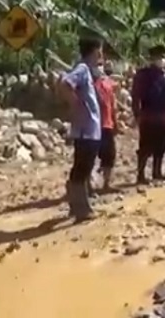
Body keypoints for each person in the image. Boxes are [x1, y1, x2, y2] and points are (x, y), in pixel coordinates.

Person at [59, 38, 103, 221]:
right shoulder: (83, 69)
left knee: (83, 168)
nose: (102, 55)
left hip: (89, 129)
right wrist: (75, 105)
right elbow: (66, 83)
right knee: (82, 168)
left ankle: (78, 205)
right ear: (94, 52)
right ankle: (81, 209)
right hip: (86, 130)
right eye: (100, 51)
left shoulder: (88, 71)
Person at [131, 45, 165, 184]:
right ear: (151, 58)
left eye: (163, 57)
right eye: (159, 57)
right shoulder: (143, 75)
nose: (162, 60)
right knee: (145, 146)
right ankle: (140, 175)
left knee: (162, 145)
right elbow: (136, 95)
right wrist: (137, 114)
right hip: (149, 116)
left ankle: (156, 172)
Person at [88, 61, 119, 194]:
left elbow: (112, 106)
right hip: (91, 126)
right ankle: (87, 186)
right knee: (89, 157)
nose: (99, 67)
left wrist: (115, 123)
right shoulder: (88, 85)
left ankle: (106, 184)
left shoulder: (107, 84)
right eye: (97, 64)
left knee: (109, 155)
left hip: (107, 125)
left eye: (101, 65)